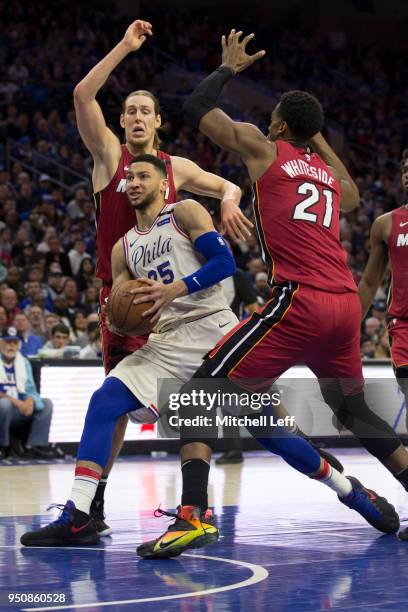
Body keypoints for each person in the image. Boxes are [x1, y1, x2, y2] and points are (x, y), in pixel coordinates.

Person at [135, 30, 408, 557]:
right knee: (351, 411)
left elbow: (195, 105)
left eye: (273, 119)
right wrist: (316, 138)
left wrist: (227, 69)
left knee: (195, 397)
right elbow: (352, 197)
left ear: (279, 125)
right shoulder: (328, 176)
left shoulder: (265, 148)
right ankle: (365, 491)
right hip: (344, 306)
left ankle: (193, 516)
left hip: (299, 300)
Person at [72, 18, 251, 536]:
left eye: (144, 110)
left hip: (182, 304)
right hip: (127, 296)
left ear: (157, 122)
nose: (133, 117)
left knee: (190, 396)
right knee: (117, 401)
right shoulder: (110, 158)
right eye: (127, 111)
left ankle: (194, 502)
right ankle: (95, 504)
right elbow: (84, 94)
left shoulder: (176, 166)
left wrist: (233, 201)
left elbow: (227, 186)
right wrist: (125, 48)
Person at [20, 154, 239, 546]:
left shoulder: (184, 211)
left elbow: (225, 262)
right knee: (104, 400)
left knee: (275, 430)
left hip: (211, 329)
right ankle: (79, 514)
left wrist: (176, 288)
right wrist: (117, 315)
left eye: (143, 176)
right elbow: (125, 306)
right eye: (130, 177)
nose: (134, 182)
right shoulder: (123, 249)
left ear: (162, 184)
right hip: (168, 338)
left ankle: (348, 489)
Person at [358, 149, 408, 428]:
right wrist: (350, 327)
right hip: (404, 327)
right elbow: (369, 281)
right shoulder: (386, 223)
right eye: (405, 169)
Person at [0, 327, 53, 460]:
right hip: (5, 408)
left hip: (19, 409)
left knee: (46, 404)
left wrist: (30, 401)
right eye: (8, 342)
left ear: (19, 345)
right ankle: (3, 447)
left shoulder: (24, 362)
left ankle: (34, 446)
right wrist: (16, 402)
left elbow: (31, 389)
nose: (11, 346)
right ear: (1, 343)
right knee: (4, 404)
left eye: (14, 342)